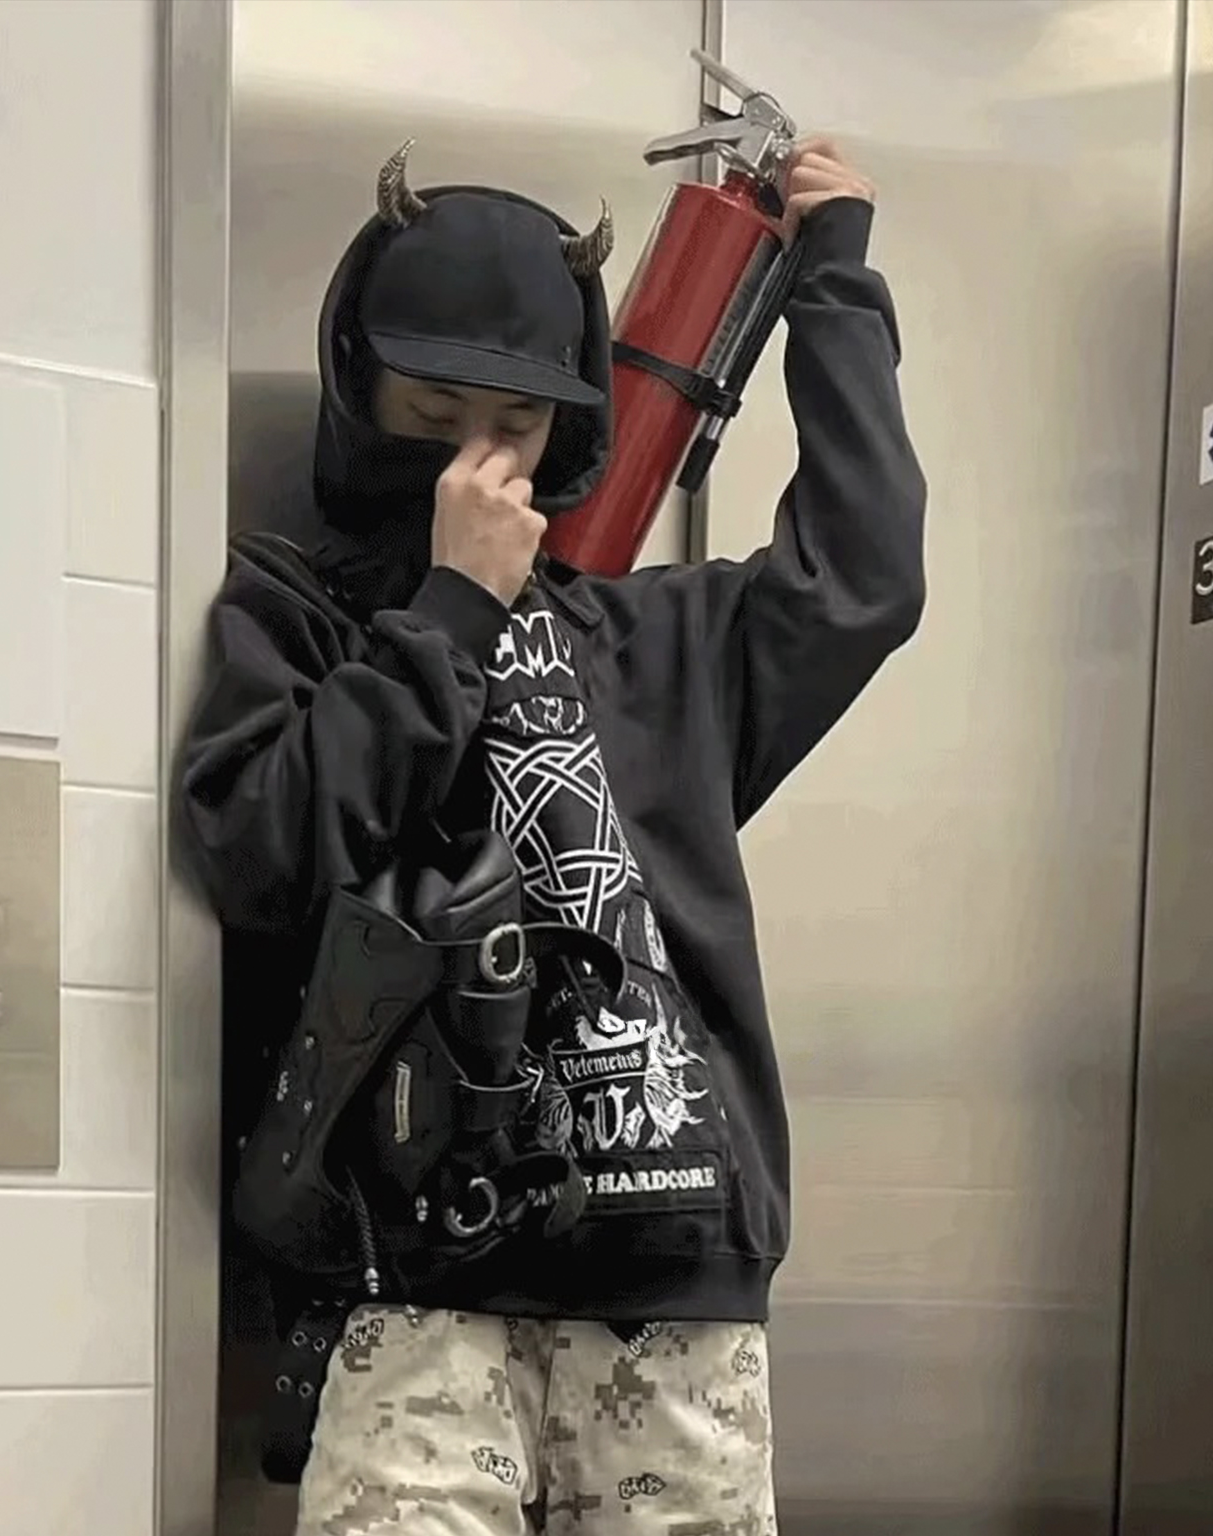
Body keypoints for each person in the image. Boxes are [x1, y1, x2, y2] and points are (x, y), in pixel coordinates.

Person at [175, 134, 926, 1535]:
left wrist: (834, 283)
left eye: (515, 424)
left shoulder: (654, 645)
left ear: (565, 431)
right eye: (432, 409)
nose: (474, 457)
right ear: (361, 391)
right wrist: (449, 610)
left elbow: (862, 581)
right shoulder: (297, 618)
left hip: (669, 1280)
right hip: (409, 1287)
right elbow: (260, 852)